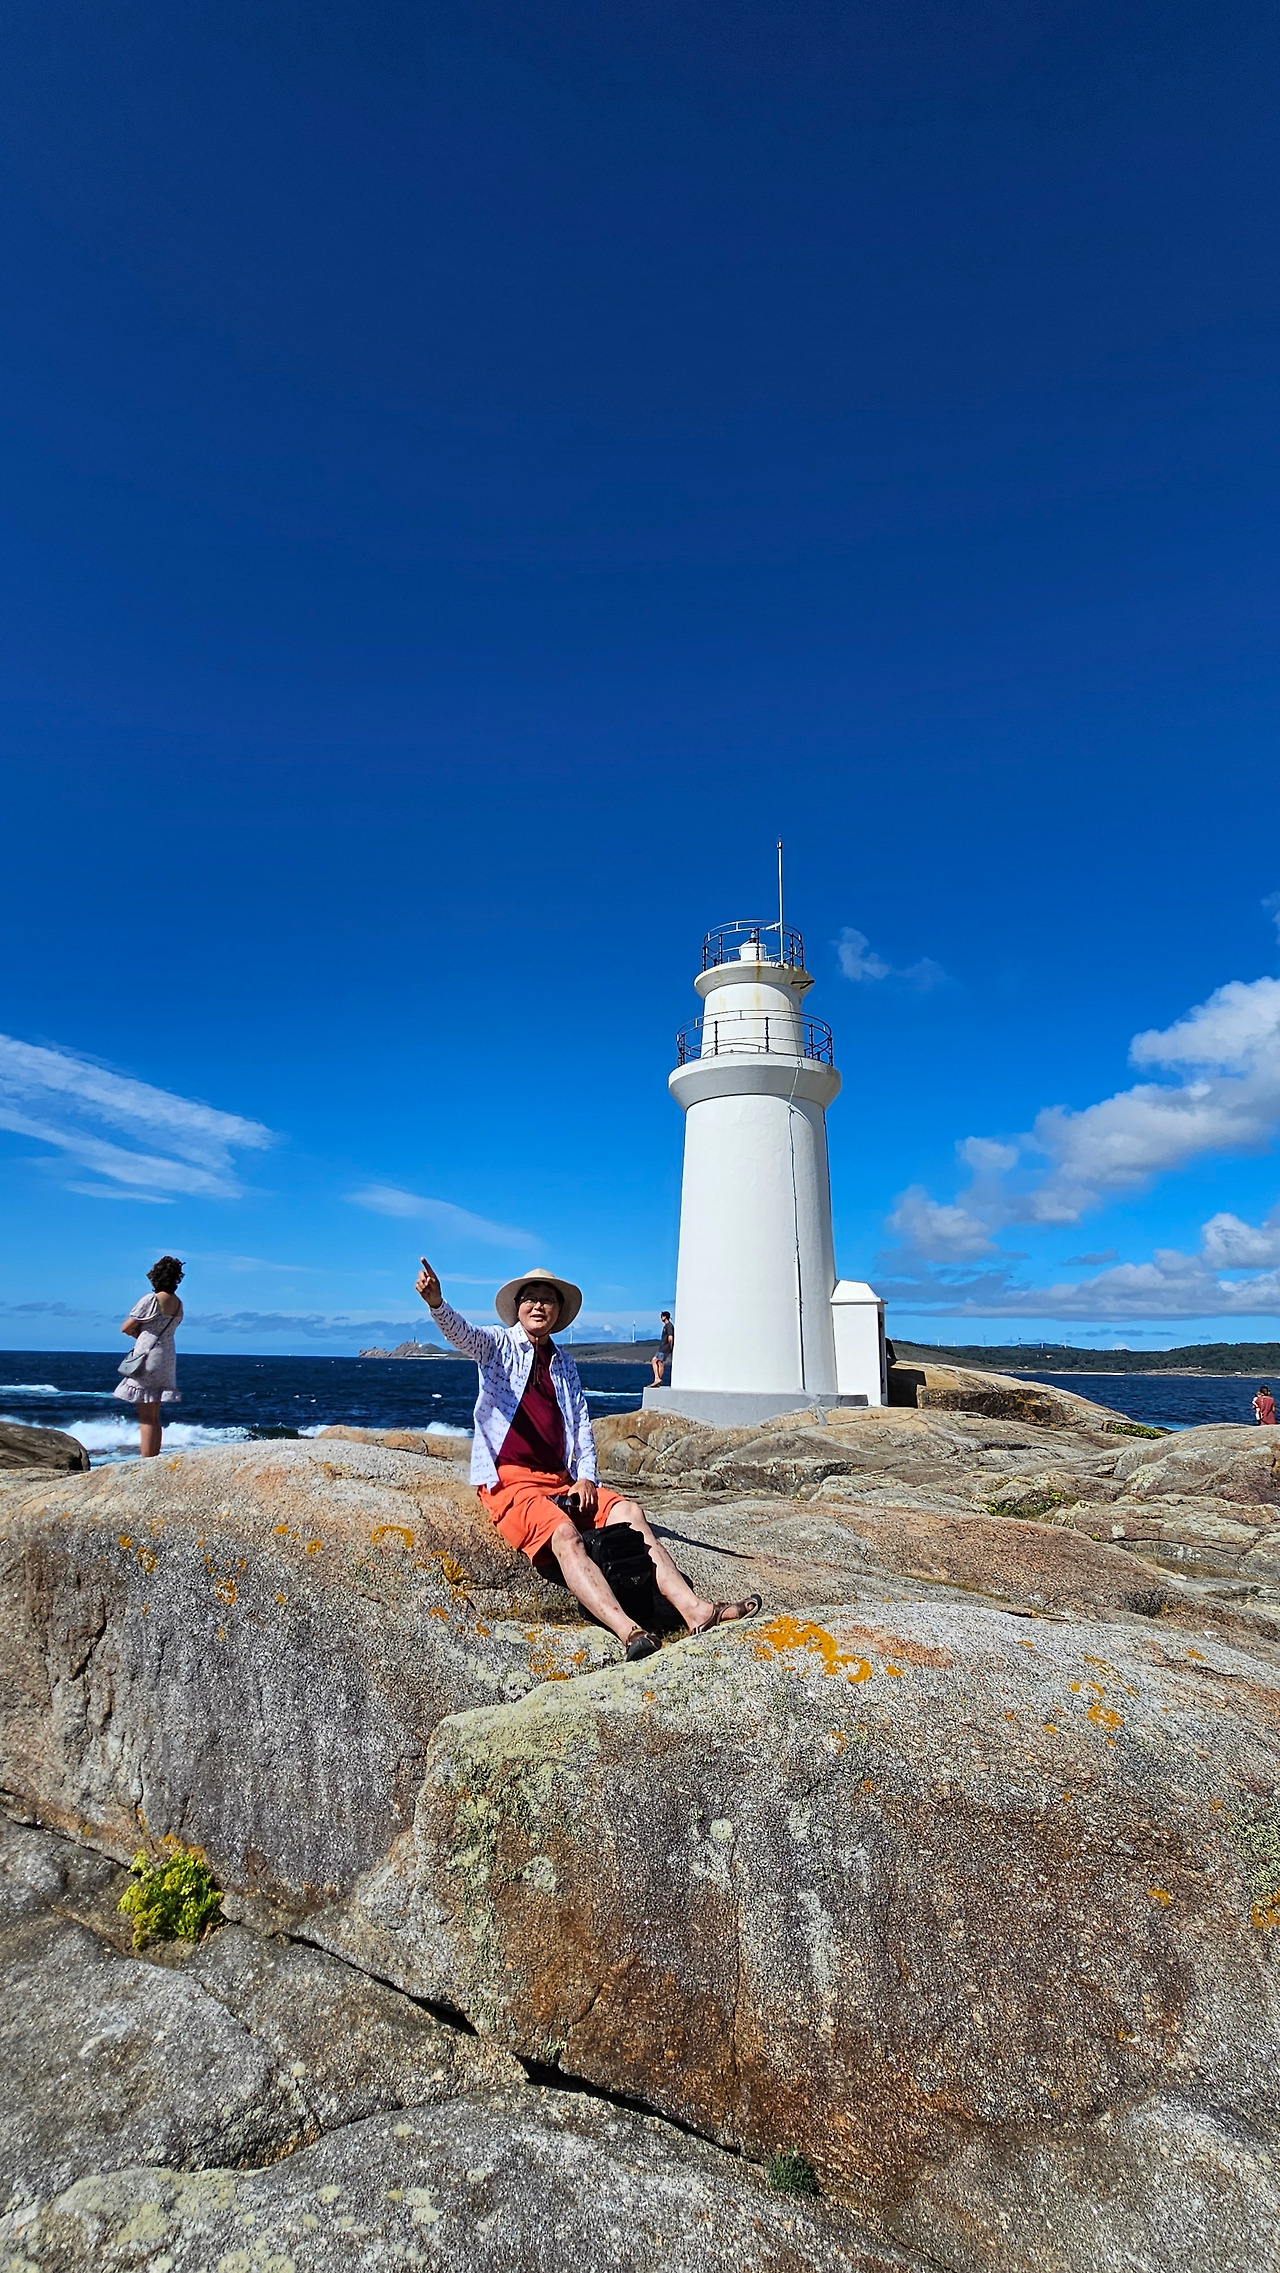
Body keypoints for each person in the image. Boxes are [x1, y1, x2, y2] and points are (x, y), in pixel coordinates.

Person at [416, 1257, 759, 1662]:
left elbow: (580, 1423)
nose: (538, 1305)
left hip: (562, 1478)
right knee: (564, 1535)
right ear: (517, 1307)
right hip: (511, 1479)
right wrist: (437, 1303)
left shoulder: (563, 1362)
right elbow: (463, 1334)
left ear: (558, 1311)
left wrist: (586, 1478)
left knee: (630, 1512)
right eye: (530, 1298)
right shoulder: (497, 1345)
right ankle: (629, 1631)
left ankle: (696, 1611)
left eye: (547, 1299)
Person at [115, 1255, 185, 1458]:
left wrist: (139, 1334)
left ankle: (145, 1461)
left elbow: (126, 1327)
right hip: (167, 1356)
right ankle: (153, 1457)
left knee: (145, 1415)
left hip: (147, 1356)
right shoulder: (178, 1304)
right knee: (154, 1414)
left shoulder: (151, 1300)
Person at [651, 1311, 675, 1387]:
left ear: (665, 1317)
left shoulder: (669, 1326)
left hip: (665, 1348)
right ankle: (657, 1379)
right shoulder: (666, 1326)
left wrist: (670, 1347)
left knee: (659, 1362)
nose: (661, 1317)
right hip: (662, 1347)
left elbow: (670, 1337)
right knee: (656, 1361)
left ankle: (657, 1379)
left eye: (662, 1316)